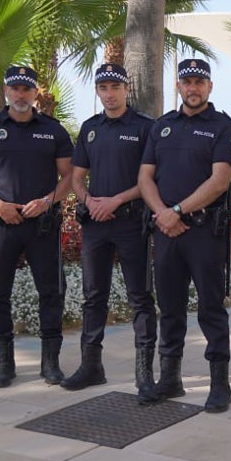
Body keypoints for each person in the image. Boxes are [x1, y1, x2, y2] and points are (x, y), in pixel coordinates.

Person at [0, 65, 74, 387]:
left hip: (42, 224)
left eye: (27, 88)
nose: (21, 94)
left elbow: (69, 176)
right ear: (6, 91)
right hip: (1, 223)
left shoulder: (53, 130)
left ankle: (50, 364)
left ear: (36, 92)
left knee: (52, 292)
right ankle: (4, 365)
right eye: (15, 88)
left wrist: (48, 201)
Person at [139, 58, 231, 409]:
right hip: (166, 231)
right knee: (169, 307)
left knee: (211, 308)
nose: (193, 88)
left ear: (210, 87)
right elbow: (145, 177)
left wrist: (177, 211)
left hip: (202, 232)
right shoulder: (162, 126)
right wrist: (162, 215)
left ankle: (219, 384)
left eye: (199, 82)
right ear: (178, 86)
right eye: (187, 82)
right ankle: (170, 379)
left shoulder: (223, 127)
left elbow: (219, 180)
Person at [63, 63, 156, 398]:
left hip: (132, 222)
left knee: (140, 298)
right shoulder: (90, 128)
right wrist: (90, 201)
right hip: (96, 224)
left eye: (115, 87)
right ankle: (91, 366)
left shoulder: (146, 127)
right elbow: (76, 176)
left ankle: (144, 373)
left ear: (125, 89)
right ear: (98, 91)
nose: (110, 93)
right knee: (93, 297)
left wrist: (115, 201)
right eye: (103, 88)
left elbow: (150, 179)